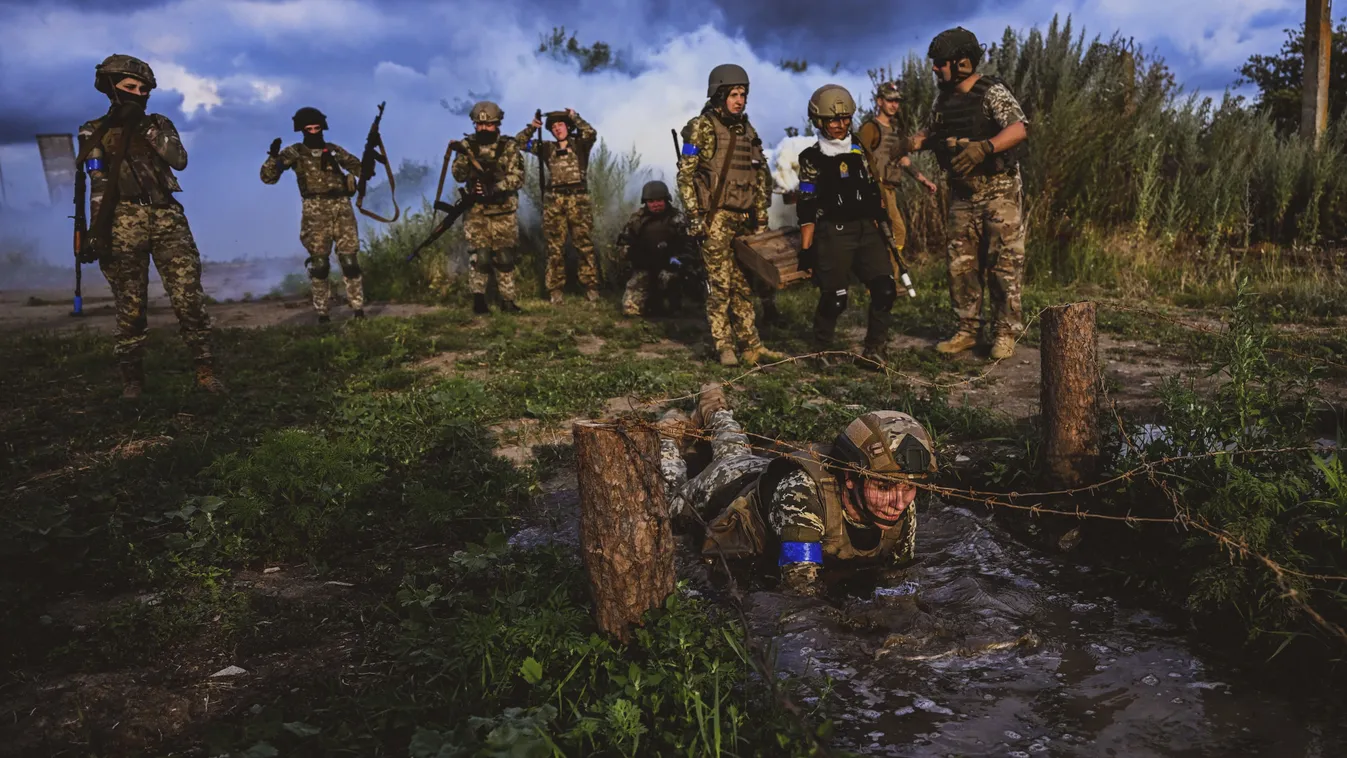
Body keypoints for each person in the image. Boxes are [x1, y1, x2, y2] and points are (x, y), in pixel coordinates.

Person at [657, 383, 935, 597]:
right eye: (884, 487)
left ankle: (714, 409)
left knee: (734, 450)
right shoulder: (803, 497)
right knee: (668, 505)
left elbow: (898, 578)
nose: (899, 502)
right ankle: (667, 434)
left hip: (761, 475)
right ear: (851, 477)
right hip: (726, 487)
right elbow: (801, 588)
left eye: (910, 487)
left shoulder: (899, 504)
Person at [77, 54, 226, 399]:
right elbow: (98, 184)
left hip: (166, 218)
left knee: (189, 299)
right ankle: (132, 381)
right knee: (130, 308)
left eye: (144, 89)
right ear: (112, 87)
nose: (138, 94)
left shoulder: (158, 123)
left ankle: (206, 373)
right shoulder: (93, 130)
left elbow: (179, 160)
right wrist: (96, 232)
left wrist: (144, 127)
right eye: (130, 87)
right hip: (122, 222)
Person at [905, 27, 1030, 360]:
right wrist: (907, 144)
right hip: (963, 194)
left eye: (940, 62)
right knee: (961, 265)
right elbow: (931, 132)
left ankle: (1005, 333)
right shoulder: (944, 100)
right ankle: (967, 330)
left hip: (998, 191)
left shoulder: (991, 92)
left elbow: (1019, 128)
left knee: (1004, 265)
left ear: (962, 63)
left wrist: (985, 148)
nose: (935, 68)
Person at [677, 64, 785, 366]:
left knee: (744, 285)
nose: (740, 100)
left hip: (744, 220)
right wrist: (694, 215)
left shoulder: (748, 131)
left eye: (743, 95)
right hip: (714, 219)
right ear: (719, 95)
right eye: (734, 94)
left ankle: (751, 346)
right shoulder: (702, 127)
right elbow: (685, 176)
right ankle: (724, 346)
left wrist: (761, 219)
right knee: (720, 285)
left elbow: (761, 177)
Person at [795, 84, 897, 365]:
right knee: (836, 298)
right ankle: (820, 350)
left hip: (866, 229)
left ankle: (875, 350)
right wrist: (807, 249)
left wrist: (881, 217)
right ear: (819, 121)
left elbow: (872, 187)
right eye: (833, 120)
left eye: (845, 119)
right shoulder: (812, 158)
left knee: (885, 289)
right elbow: (806, 207)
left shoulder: (858, 149)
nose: (840, 125)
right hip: (834, 233)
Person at [260, 107, 366, 323]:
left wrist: (369, 158)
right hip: (314, 209)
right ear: (301, 129)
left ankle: (358, 309)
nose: (314, 132)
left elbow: (361, 169)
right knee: (319, 265)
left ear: (323, 127)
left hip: (342, 207)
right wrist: (273, 158)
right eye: (309, 129)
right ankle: (322, 312)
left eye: (317, 128)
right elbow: (268, 178)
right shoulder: (295, 152)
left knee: (349, 261)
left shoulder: (333, 151)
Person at [517, 108, 600, 304]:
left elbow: (591, 133)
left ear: (568, 127)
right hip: (554, 202)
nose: (557, 129)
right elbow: (519, 143)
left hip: (579, 201)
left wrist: (575, 117)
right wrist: (532, 127)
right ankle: (555, 289)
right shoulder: (546, 148)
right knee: (554, 247)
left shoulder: (580, 144)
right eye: (553, 126)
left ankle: (591, 286)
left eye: (561, 124)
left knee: (584, 245)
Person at [453, 101, 526, 314]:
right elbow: (458, 176)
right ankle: (479, 300)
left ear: (497, 124)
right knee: (480, 256)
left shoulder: (509, 147)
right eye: (479, 124)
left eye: (488, 124)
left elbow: (518, 177)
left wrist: (496, 187)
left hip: (503, 210)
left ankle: (508, 301)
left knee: (505, 257)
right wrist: (463, 159)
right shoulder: (467, 146)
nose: (483, 128)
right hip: (477, 211)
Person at [855, 81, 939, 257]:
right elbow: (858, 158)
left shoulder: (894, 130)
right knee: (896, 231)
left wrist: (924, 181)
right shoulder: (871, 128)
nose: (894, 105)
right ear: (880, 101)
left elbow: (903, 160)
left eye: (897, 101)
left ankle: (889, 271)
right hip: (876, 188)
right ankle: (890, 271)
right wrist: (871, 190)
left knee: (889, 234)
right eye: (890, 100)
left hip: (889, 189)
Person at [618, 180, 699, 317]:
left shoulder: (677, 219)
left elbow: (690, 246)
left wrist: (678, 259)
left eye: (659, 200)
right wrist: (636, 255)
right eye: (651, 201)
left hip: (671, 268)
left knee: (671, 285)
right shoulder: (637, 220)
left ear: (666, 200)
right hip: (644, 268)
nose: (656, 204)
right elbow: (623, 245)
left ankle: (675, 305)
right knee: (630, 309)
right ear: (645, 202)